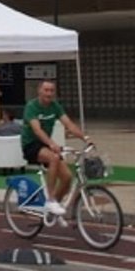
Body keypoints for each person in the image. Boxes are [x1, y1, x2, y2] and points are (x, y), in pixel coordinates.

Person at [20, 80, 87, 216]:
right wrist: (52, 144)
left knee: (67, 177)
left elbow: (69, 124)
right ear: (39, 91)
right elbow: (37, 130)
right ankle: (50, 200)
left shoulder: (55, 106)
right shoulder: (32, 107)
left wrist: (86, 138)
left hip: (44, 144)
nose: (49, 93)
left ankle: (52, 207)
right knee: (54, 158)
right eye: (46, 90)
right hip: (30, 145)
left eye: (51, 90)